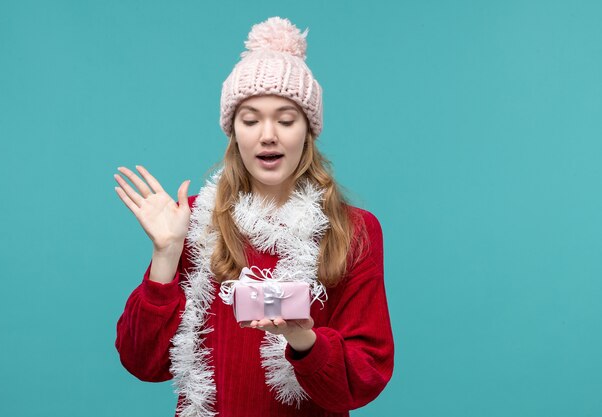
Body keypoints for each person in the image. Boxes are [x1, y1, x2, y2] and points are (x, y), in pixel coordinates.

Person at [114, 16, 394, 417]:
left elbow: (366, 375)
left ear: (307, 133)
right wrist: (166, 253)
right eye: (250, 120)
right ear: (233, 132)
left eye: (285, 119)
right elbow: (143, 363)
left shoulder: (354, 230)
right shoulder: (192, 221)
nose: (268, 135)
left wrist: (305, 340)